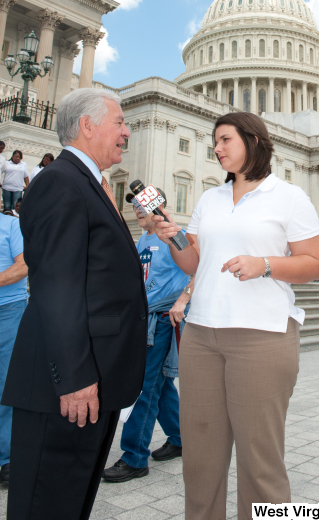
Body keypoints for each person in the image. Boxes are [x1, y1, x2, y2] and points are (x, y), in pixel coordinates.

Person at [153, 112, 319, 520]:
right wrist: (173, 236)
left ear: (253, 140)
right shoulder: (210, 199)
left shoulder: (289, 197)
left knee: (259, 460)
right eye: (215, 141)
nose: (217, 148)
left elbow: (315, 263)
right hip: (201, 334)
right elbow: (195, 263)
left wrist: (265, 264)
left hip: (261, 336)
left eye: (225, 139)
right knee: (200, 458)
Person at [1, 88, 148, 520]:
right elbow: (56, 288)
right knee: (46, 506)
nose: (126, 132)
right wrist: (76, 377)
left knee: (69, 504)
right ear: (87, 126)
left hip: (90, 384)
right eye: (119, 122)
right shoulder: (61, 183)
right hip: (67, 388)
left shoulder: (89, 185)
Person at [103, 190, 194, 483]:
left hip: (165, 319)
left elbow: (198, 266)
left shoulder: (173, 234)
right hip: (145, 319)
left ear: (159, 207)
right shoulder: (143, 239)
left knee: (145, 387)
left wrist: (183, 300)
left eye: (143, 205)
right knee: (160, 385)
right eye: (134, 206)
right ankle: (180, 439)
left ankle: (134, 457)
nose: (137, 210)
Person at [0, 212, 27, 487]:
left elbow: (24, 265)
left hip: (8, 310)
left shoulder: (10, 225)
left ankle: (7, 458)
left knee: (5, 384)